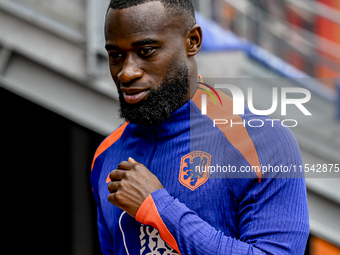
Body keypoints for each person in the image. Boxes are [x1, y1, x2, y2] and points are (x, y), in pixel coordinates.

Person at [91, 0, 309, 254]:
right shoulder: (105, 155)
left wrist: (158, 207)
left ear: (192, 41)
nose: (126, 73)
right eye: (116, 55)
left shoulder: (262, 142)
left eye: (146, 51)